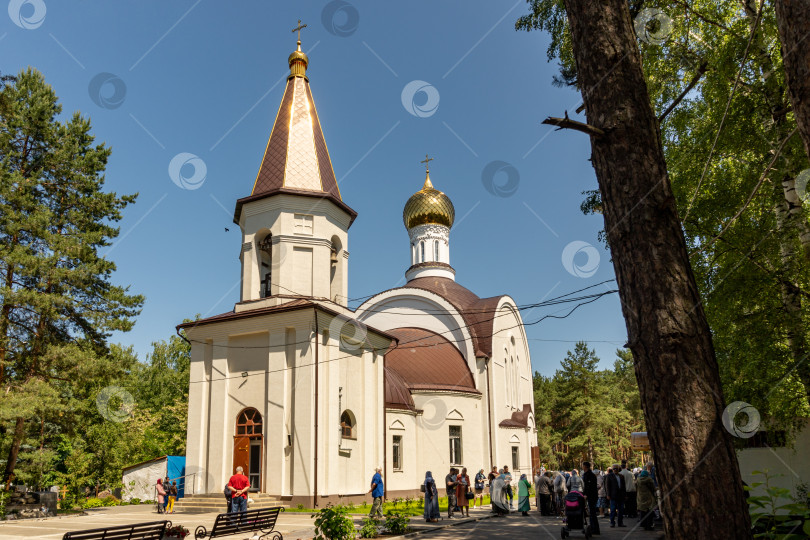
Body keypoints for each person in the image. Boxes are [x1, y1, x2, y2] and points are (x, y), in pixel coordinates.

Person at [582, 462, 600, 535]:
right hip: (592, 495)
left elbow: (588, 486)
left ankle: (595, 529)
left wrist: (586, 494)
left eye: (583, 466)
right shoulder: (590, 474)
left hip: (591, 496)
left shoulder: (588, 475)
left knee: (592, 513)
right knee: (592, 513)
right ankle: (593, 528)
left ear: (585, 466)